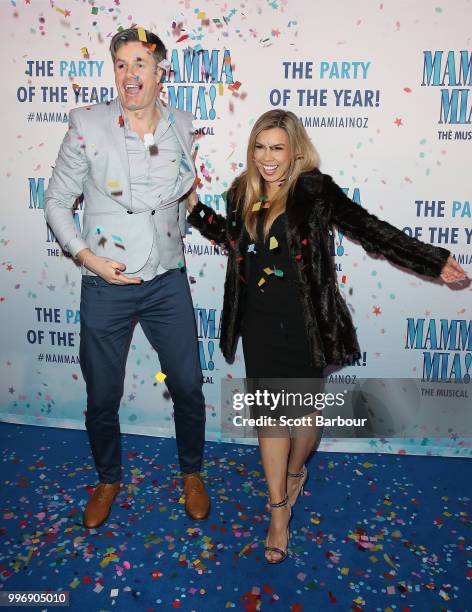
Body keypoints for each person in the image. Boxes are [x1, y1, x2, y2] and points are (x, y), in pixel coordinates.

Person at [186, 109, 467, 563]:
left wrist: (430, 260)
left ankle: (297, 472)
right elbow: (234, 240)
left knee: (306, 422)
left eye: (277, 148)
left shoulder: (315, 191)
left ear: (295, 149)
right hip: (258, 324)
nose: (267, 158)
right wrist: (196, 210)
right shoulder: (242, 191)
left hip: (305, 325)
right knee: (271, 420)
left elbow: (370, 229)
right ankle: (278, 511)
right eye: (260, 147)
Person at [44, 28, 210, 528]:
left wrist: (211, 225)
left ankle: (192, 473)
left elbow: (182, 196)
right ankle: (108, 478)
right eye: (121, 63)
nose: (130, 73)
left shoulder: (182, 124)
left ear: (161, 72)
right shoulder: (86, 124)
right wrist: (87, 258)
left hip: (166, 278)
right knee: (102, 394)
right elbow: (55, 203)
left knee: (187, 383)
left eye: (140, 63)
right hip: (105, 284)